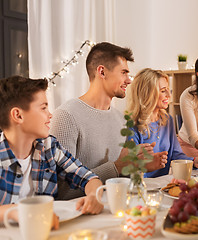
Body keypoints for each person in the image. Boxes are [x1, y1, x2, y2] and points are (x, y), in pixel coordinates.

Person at [50, 42, 166, 199]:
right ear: (102, 72)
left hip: (116, 209)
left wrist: (138, 167)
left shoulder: (121, 119)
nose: (129, 80)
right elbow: (62, 190)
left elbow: (121, 179)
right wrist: (117, 167)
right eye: (123, 72)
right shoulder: (66, 116)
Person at [0, 76, 104, 228]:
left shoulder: (49, 146)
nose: (50, 115)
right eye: (43, 108)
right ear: (18, 115)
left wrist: (94, 196)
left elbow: (88, 178)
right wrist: (19, 213)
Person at [127, 68, 198, 177]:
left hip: (161, 185)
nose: (169, 95)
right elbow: (129, 166)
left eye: (169, 89)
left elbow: (175, 153)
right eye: (163, 91)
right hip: (141, 187)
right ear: (147, 93)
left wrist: (194, 161)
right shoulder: (131, 125)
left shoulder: (167, 120)